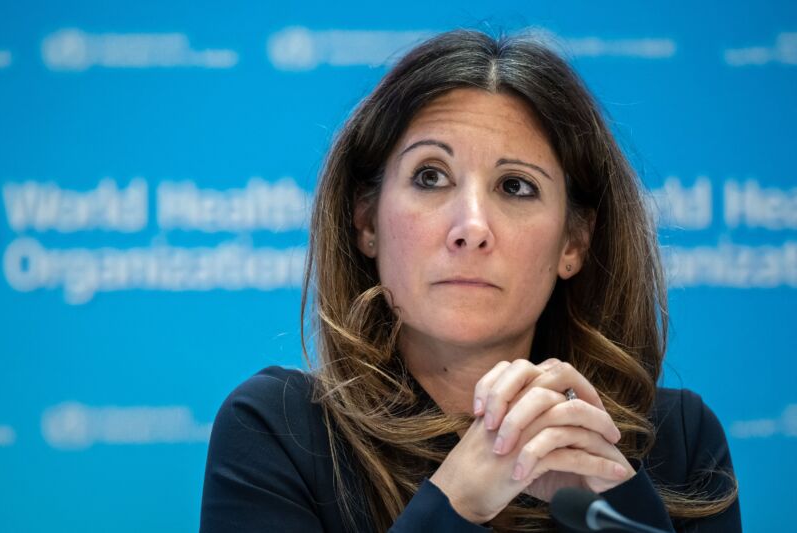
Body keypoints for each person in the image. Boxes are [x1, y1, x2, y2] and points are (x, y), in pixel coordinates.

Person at [199, 29, 741, 532]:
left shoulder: (677, 441)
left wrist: (620, 509)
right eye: (430, 177)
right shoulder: (279, 432)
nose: (471, 228)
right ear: (366, 222)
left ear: (573, 243)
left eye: (516, 186)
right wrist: (457, 497)